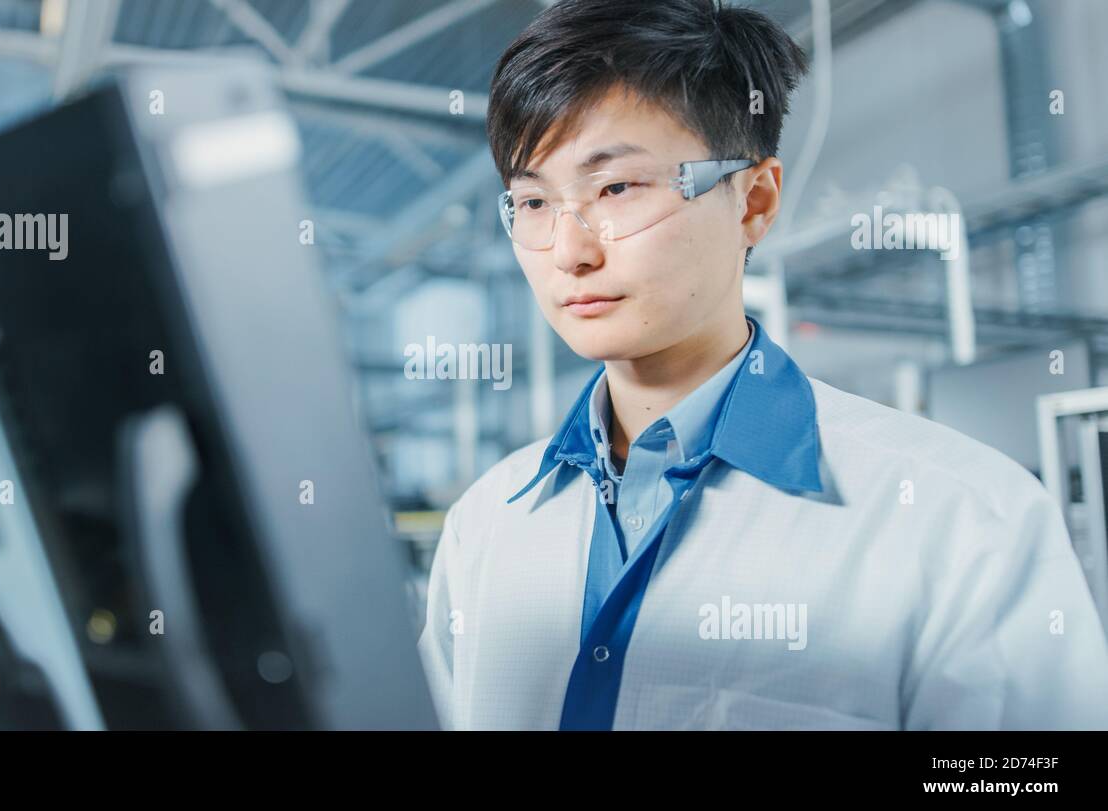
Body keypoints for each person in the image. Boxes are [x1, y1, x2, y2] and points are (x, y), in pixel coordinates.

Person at [416, 0, 1108, 730]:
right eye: (532, 201)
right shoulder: (485, 526)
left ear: (754, 200)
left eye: (617, 188)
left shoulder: (963, 522)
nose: (569, 251)